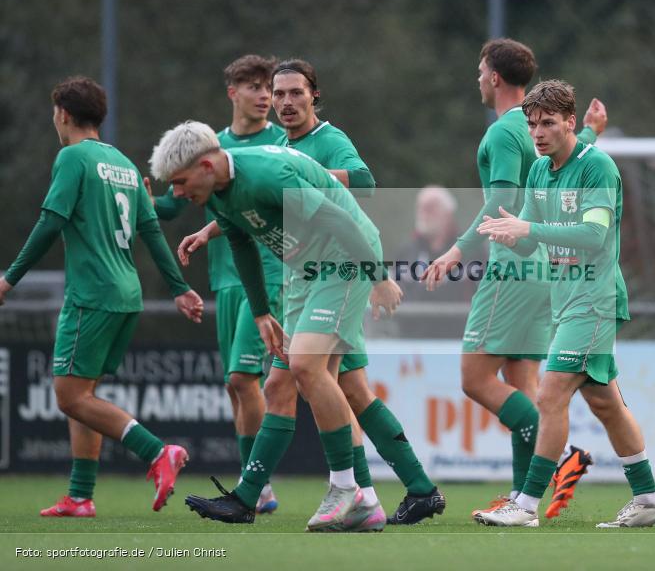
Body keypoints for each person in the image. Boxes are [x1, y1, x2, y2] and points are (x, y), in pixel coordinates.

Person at [149, 122, 402, 532]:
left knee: (306, 367)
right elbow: (240, 243)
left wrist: (379, 278)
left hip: (344, 256)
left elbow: (338, 221)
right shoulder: (216, 191)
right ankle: (252, 499)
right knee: (279, 386)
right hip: (305, 271)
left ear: (208, 164)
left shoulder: (267, 176)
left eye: (179, 181)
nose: (176, 192)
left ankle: (348, 490)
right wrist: (263, 313)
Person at [0, 76, 204, 516]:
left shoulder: (72, 157)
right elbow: (150, 230)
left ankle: (156, 451)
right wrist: (179, 288)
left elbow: (49, 222)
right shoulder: (125, 165)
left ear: (63, 115)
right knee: (85, 395)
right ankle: (80, 495)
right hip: (125, 292)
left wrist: (8, 280)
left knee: (70, 397)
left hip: (91, 293)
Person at [422, 39, 606, 520]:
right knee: (521, 381)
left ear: (495, 77)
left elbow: (500, 202)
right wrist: (589, 131)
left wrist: (457, 249)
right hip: (547, 264)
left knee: (474, 377)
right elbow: (573, 154)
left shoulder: (507, 131)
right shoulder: (541, 131)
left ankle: (559, 459)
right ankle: (523, 500)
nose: (477, 79)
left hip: (514, 263)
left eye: (480, 70)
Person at [476, 80, 655, 528]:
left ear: (570, 123)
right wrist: (511, 235)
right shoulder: (539, 172)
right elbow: (530, 239)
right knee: (606, 405)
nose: (537, 133)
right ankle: (648, 499)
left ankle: (524, 505)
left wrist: (530, 233)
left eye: (546, 123)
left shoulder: (597, 167)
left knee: (550, 391)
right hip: (564, 301)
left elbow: (593, 236)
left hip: (594, 300)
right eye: (531, 125)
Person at [267, 59, 445, 524]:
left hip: (337, 280)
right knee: (352, 392)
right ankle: (412, 489)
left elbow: (364, 182)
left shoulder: (328, 140)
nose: (286, 102)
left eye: (296, 93)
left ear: (314, 97)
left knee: (296, 379)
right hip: (313, 283)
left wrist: (309, 178)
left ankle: (265, 494)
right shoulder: (280, 147)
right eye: (279, 94)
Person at [144, 54, 286, 515]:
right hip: (227, 277)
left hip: (269, 272)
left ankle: (257, 486)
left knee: (245, 377)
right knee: (235, 386)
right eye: (254, 86)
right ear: (233, 93)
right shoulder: (209, 147)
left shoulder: (278, 144)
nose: (265, 95)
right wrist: (145, 202)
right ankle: (254, 486)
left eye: (269, 86)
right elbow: (172, 204)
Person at [394, 186, 476, 305]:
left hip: (460, 322)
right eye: (420, 207)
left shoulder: (471, 251)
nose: (423, 213)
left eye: (430, 207)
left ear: (448, 214)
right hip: (414, 322)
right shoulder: (406, 252)